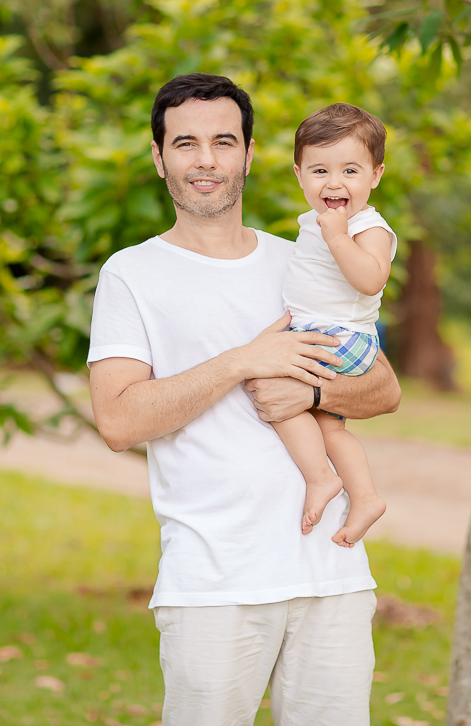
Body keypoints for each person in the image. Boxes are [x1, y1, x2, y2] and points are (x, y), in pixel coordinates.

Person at [87, 73, 400, 726]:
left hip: (332, 573)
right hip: (214, 585)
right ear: (158, 156)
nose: (206, 160)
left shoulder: (306, 257)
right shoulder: (131, 273)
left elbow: (382, 388)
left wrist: (309, 387)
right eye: (186, 144)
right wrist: (241, 362)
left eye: (223, 142)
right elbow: (117, 419)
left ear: (251, 156)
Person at [275, 103, 395, 547]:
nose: (335, 182)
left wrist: (338, 237)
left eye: (350, 170)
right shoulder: (315, 222)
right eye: (320, 170)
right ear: (299, 174)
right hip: (321, 332)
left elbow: (370, 279)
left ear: (375, 175)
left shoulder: (367, 226)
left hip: (343, 338)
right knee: (329, 427)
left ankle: (320, 477)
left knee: (271, 390)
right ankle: (364, 495)